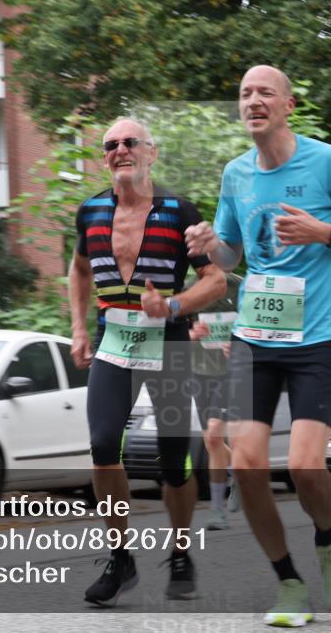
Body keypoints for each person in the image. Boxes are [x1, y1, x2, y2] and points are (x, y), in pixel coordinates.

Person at [185, 65, 331, 626]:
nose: (253, 101)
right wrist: (209, 245)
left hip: (319, 334)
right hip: (256, 335)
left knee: (305, 467)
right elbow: (232, 256)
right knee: (248, 462)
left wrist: (325, 233)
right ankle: (289, 584)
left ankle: (328, 540)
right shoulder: (236, 175)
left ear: (287, 105)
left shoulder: (326, 162)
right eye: (245, 94)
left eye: (264, 93)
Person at [69, 117, 227, 607]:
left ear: (150, 153)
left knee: (174, 460)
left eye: (129, 142)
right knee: (101, 445)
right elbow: (77, 270)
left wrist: (175, 305)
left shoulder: (179, 211)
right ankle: (121, 556)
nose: (120, 150)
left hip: (170, 344)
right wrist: (77, 327)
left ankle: (180, 550)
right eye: (111, 144)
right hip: (113, 343)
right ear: (105, 157)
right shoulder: (90, 211)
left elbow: (216, 281)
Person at [186, 272, 243, 531]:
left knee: (213, 436)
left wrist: (241, 343)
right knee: (213, 441)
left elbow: (256, 324)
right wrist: (191, 335)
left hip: (230, 372)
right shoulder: (187, 288)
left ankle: (217, 511)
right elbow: (170, 331)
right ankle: (241, 472)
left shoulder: (239, 286)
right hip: (199, 373)